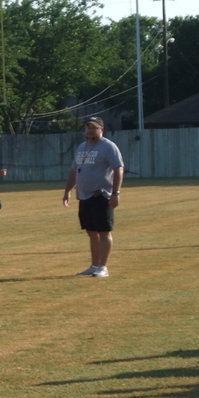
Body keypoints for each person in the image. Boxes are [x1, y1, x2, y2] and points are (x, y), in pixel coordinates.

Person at [63, 116, 124, 278]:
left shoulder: (108, 147)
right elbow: (74, 171)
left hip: (101, 195)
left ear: (101, 130)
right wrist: (67, 190)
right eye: (88, 127)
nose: (90, 130)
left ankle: (103, 267)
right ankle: (94, 265)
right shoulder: (82, 147)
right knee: (91, 231)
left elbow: (118, 169)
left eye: (94, 127)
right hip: (84, 196)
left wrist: (116, 193)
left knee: (104, 231)